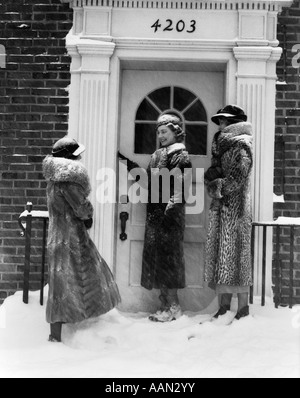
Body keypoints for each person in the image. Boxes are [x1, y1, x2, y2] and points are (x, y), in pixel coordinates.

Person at [42, 136, 121, 342]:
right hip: (72, 237)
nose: (80, 158)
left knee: (61, 283)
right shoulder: (68, 180)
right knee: (87, 277)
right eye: (77, 154)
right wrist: (88, 216)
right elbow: (81, 208)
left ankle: (61, 330)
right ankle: (65, 332)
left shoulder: (54, 179)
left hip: (57, 236)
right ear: (70, 157)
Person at [119, 114, 192, 322]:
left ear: (175, 132)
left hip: (169, 217)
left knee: (169, 261)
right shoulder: (157, 155)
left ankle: (173, 306)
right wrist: (129, 165)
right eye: (158, 132)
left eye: (164, 132)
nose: (160, 135)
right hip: (155, 216)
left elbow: (180, 188)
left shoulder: (180, 156)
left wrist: (170, 213)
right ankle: (164, 305)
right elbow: (149, 184)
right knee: (159, 262)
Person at [204, 105, 253, 321]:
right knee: (221, 258)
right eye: (220, 122)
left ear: (233, 123)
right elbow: (216, 172)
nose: (220, 125)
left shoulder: (241, 147)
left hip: (236, 210)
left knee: (238, 260)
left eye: (224, 121)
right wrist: (212, 177)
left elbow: (237, 179)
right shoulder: (221, 148)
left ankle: (242, 310)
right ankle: (223, 308)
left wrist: (216, 186)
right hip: (222, 209)